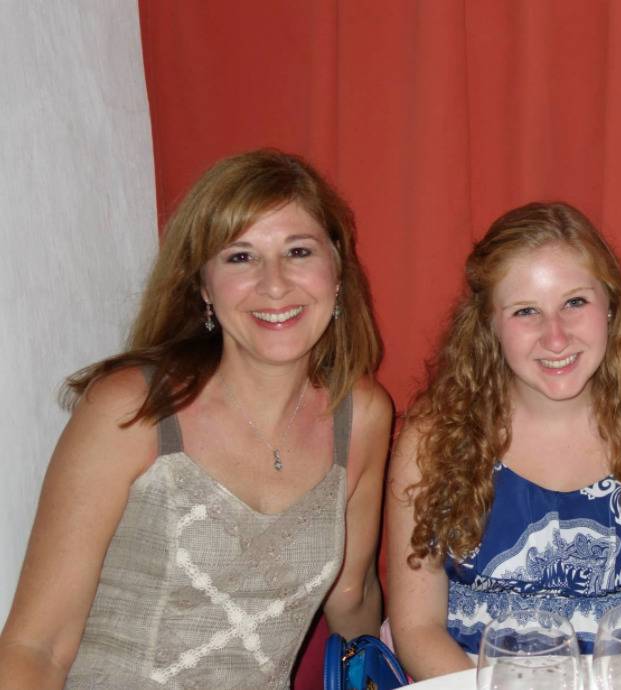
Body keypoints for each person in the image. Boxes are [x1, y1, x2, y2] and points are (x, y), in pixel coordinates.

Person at [0, 150, 392, 689]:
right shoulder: (131, 409)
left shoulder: (362, 414)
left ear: (337, 270)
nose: (274, 284)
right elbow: (35, 648)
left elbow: (354, 595)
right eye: (240, 257)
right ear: (204, 286)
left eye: (298, 251)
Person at [385, 201, 621, 679]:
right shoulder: (432, 440)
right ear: (489, 324)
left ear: (611, 306)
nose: (555, 338)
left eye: (575, 302)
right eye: (526, 311)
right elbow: (416, 629)